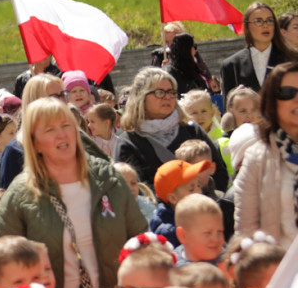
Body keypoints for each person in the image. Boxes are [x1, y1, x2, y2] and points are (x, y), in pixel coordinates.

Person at [0, 98, 147, 288]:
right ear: (35, 143)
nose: (62, 134)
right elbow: (1, 260)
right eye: (50, 129)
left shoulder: (108, 177)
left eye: (66, 125)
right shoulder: (21, 193)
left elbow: (140, 239)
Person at [115, 67, 228, 192]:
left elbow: (219, 173)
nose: (168, 97)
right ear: (141, 97)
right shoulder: (128, 143)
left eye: (171, 92)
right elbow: (135, 190)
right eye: (159, 92)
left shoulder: (192, 130)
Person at [234, 62, 298, 246]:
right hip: (280, 259)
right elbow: (246, 231)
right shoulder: (256, 158)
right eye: (287, 93)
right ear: (272, 102)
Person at [221, 2, 297, 98]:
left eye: (270, 20)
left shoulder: (292, 59)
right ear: (247, 26)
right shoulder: (231, 65)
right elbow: (228, 106)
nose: (265, 25)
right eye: (258, 21)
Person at [149, 159, 210, 247]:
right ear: (173, 198)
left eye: (198, 185)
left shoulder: (194, 216)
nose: (199, 192)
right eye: (191, 189)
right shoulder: (169, 233)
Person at [173, 194, 224, 267]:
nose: (216, 239)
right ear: (183, 236)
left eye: (219, 232)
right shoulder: (177, 271)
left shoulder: (228, 260)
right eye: (208, 233)